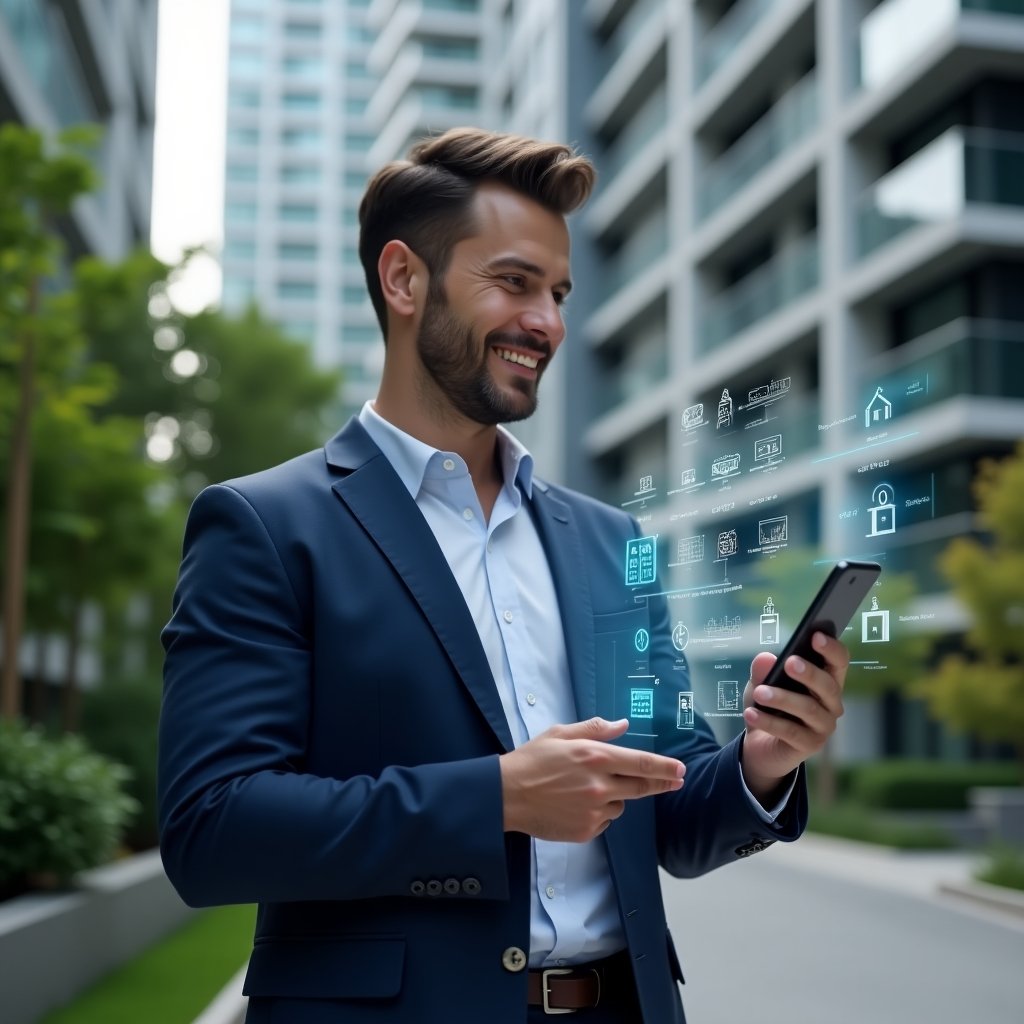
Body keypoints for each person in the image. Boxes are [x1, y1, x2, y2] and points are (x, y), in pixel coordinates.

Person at [158, 128, 849, 1023]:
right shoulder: (265, 525)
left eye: (559, 293)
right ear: (404, 280)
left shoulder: (610, 541)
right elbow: (213, 830)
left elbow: (670, 812)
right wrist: (497, 798)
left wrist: (765, 759)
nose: (549, 324)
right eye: (515, 283)